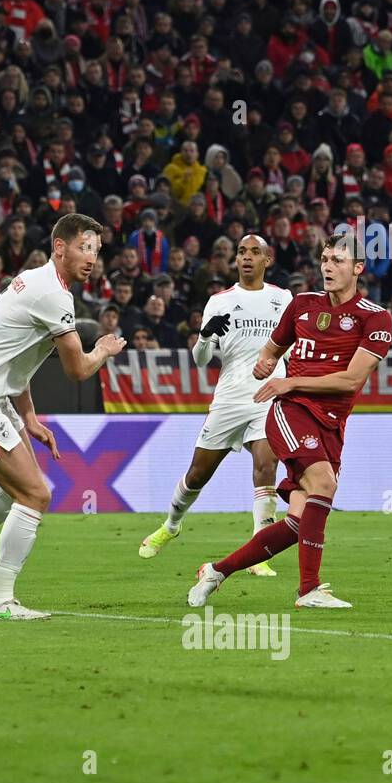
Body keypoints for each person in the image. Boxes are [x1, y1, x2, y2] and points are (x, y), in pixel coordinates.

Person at [0, 214, 126, 620]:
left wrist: (30, 417)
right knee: (36, 494)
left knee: (19, 484)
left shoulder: (35, 281)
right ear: (60, 247)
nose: (91, 258)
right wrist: (104, 350)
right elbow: (77, 371)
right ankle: (0, 602)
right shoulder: (53, 294)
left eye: (96, 250)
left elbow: (15, 360)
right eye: (83, 247)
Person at [190, 234, 392, 609]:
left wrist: (289, 376)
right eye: (325, 259)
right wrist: (266, 363)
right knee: (324, 483)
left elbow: (351, 380)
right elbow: (271, 349)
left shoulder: (375, 316)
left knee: (300, 521)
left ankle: (217, 571)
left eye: (338, 261)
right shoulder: (301, 305)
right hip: (291, 410)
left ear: (358, 268)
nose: (328, 267)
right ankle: (309, 590)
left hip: (331, 423)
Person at [138, 235, 291, 577]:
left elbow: (291, 349)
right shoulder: (219, 301)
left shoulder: (283, 299)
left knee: (267, 468)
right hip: (230, 398)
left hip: (267, 397)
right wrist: (206, 336)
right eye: (241, 252)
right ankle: (171, 525)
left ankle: (259, 552)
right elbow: (201, 359)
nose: (247, 257)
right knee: (198, 474)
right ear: (236, 260)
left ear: (267, 260)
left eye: (255, 252)